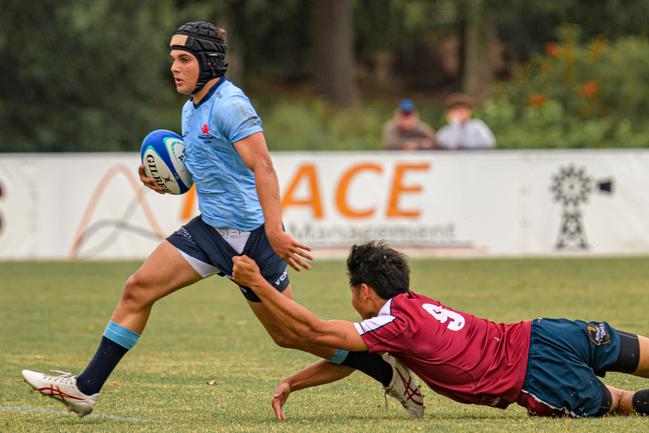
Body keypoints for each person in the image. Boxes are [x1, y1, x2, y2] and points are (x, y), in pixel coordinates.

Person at [21, 22, 423, 418]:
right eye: (172, 59)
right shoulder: (190, 109)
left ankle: (386, 372)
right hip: (210, 230)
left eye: (183, 59)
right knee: (137, 289)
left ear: (208, 63)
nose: (174, 68)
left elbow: (262, 166)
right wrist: (166, 181)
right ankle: (85, 390)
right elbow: (212, 167)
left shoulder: (231, 105)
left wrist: (274, 230)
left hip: (251, 239)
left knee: (292, 335)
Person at [231, 241, 649, 420]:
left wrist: (257, 281)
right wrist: (294, 383)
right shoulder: (415, 305)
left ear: (363, 290)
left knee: (624, 403)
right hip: (545, 332)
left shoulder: (392, 325)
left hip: (536, 377)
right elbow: (354, 358)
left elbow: (314, 329)